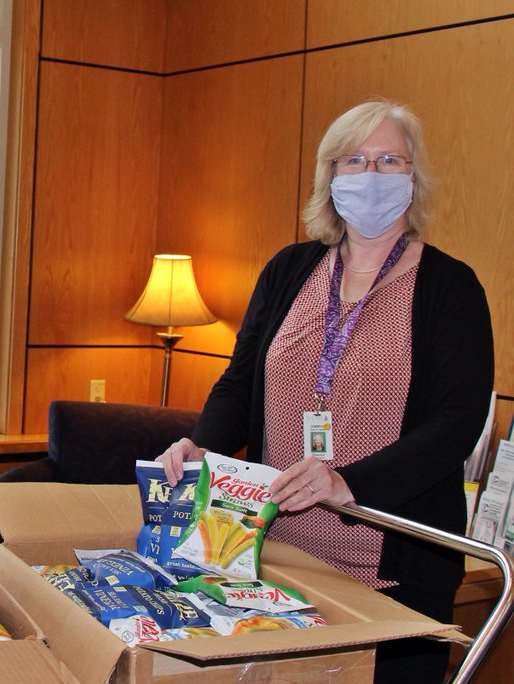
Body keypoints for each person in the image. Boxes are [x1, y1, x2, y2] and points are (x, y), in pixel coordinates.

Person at [157, 99, 493, 682]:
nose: (372, 176)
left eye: (391, 160)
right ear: (330, 176)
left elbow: (457, 423)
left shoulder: (450, 286)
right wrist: (203, 446)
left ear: (413, 178)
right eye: (354, 160)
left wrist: (349, 482)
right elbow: (241, 383)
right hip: (273, 557)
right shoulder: (289, 269)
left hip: (392, 574)